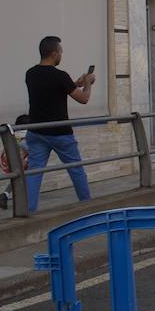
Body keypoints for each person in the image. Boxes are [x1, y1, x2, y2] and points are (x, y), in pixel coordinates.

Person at [24, 35, 95, 214]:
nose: (62, 55)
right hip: (60, 133)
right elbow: (84, 99)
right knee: (76, 170)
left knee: (34, 172)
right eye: (61, 52)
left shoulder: (30, 74)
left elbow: (55, 88)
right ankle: (88, 207)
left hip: (36, 131)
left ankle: (28, 211)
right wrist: (87, 84)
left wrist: (76, 83)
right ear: (54, 53)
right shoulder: (60, 76)